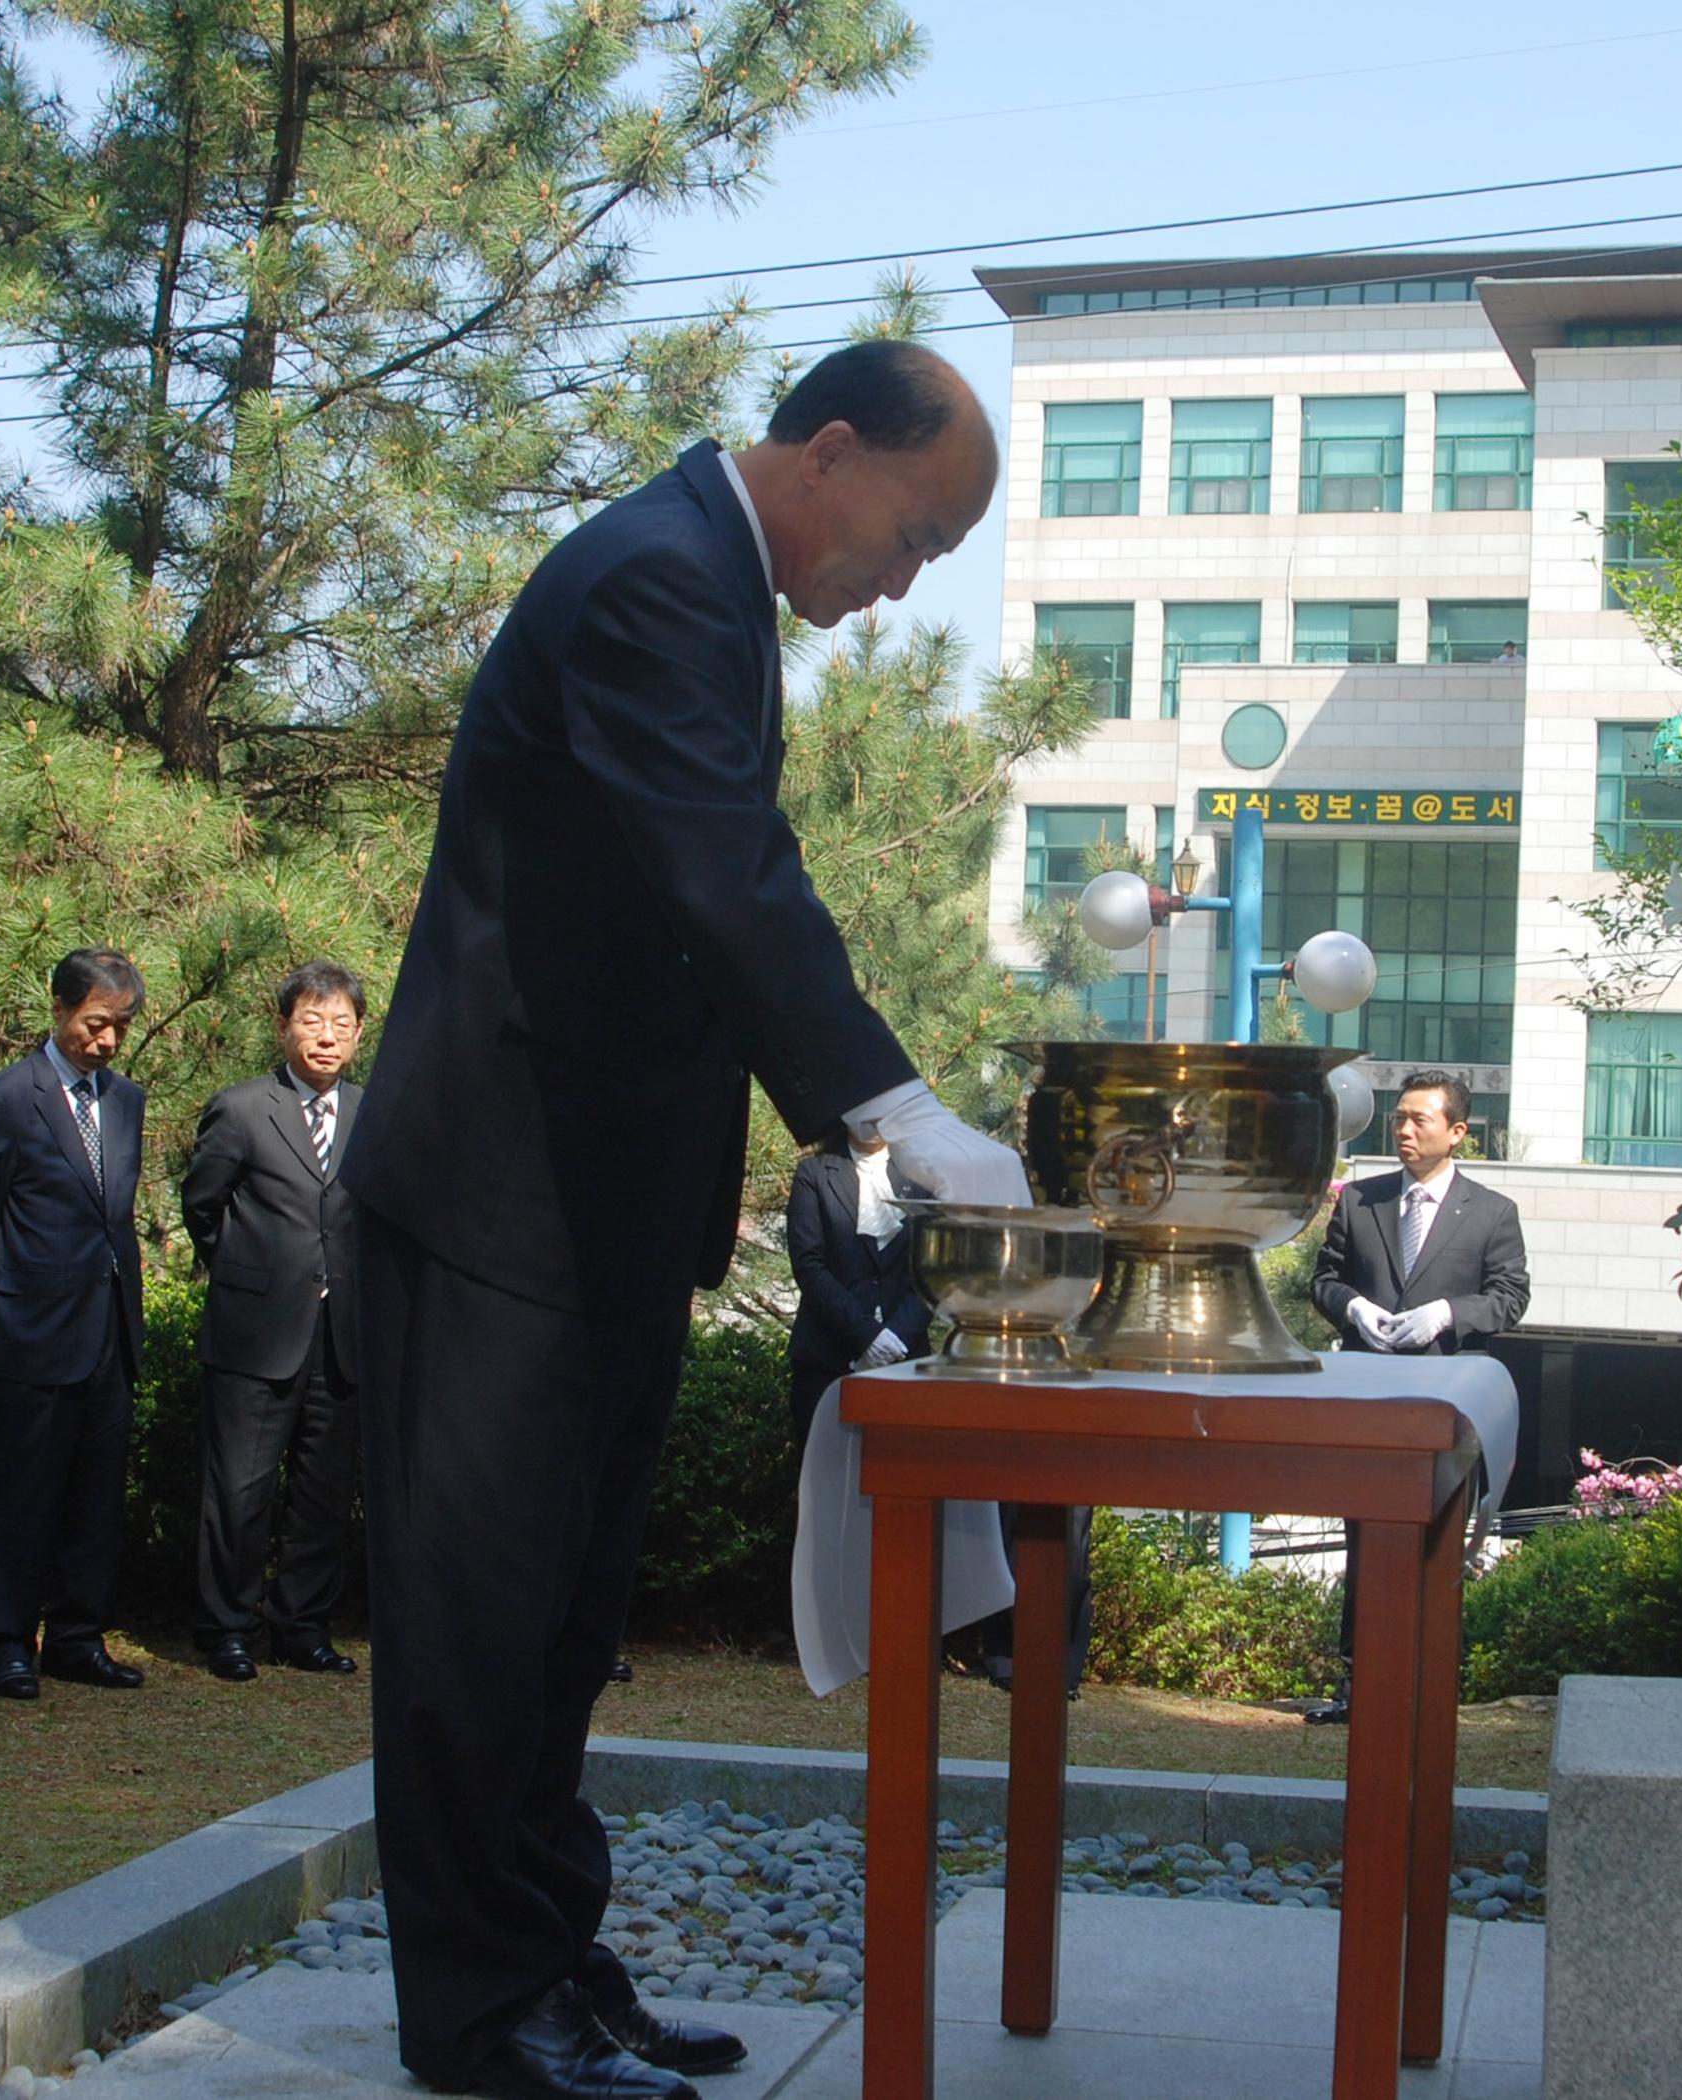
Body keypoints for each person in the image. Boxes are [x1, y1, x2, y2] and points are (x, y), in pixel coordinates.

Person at [343, 338, 1027, 2100]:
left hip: (600, 1211)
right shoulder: (657, 575)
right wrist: (899, 1110)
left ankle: (555, 1968)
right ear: (828, 446)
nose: (898, 587)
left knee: (565, 1625)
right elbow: (724, 871)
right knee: (480, 1621)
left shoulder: (709, 580)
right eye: (916, 537)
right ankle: (486, 2018)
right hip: (496, 1198)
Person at [1306, 1070, 1529, 1725]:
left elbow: (1510, 1298)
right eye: (1399, 1118)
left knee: (1437, 1544)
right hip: (1368, 1401)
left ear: (1457, 1132)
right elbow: (1323, 1280)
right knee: (1362, 1538)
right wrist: (1352, 1309)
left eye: (1419, 1120)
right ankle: (1357, 1684)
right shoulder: (1360, 1201)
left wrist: (1447, 1315)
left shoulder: (1492, 1213)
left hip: (1445, 1405)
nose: (1403, 1130)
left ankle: (1429, 1686)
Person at [0, 947, 149, 1701]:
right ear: (60, 1009)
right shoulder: (8, 1098)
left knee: (96, 1495)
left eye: (119, 1029)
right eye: (95, 1024)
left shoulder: (124, 1100)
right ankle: (2, 1639)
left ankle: (77, 1635)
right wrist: (8, 1308)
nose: (104, 1042)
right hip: (33, 1328)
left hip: (108, 1329)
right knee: (19, 1495)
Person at [181, 960, 367, 1684]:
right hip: (255, 1332)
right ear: (285, 1025)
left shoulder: (370, 1113)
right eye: (312, 1021)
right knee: (239, 1492)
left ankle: (302, 1625)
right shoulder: (241, 1108)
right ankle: (226, 1626)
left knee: (323, 1492)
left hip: (342, 1336)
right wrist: (248, 1272)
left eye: (341, 1025)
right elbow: (204, 1205)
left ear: (357, 1035)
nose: (326, 1037)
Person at [782, 1130, 931, 1444]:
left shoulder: (923, 1176)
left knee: (900, 1480)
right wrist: (864, 1337)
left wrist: (896, 1337)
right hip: (826, 1358)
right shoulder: (815, 1172)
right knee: (827, 1482)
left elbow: (931, 1271)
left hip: (905, 1358)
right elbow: (809, 1265)